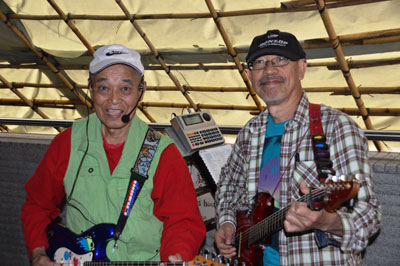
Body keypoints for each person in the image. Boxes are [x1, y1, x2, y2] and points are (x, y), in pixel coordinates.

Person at [21, 44, 206, 265]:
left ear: (141, 91)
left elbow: (183, 221)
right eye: (104, 88)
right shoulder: (67, 143)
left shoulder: (162, 153)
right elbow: (37, 204)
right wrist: (38, 252)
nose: (114, 100)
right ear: (91, 90)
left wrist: (177, 256)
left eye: (125, 89)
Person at [214, 30, 381, 265]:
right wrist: (228, 222)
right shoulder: (249, 133)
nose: (269, 70)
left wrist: (325, 221)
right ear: (250, 74)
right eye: (259, 62)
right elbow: (227, 186)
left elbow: (368, 217)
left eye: (281, 59)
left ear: (301, 68)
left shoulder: (336, 127)